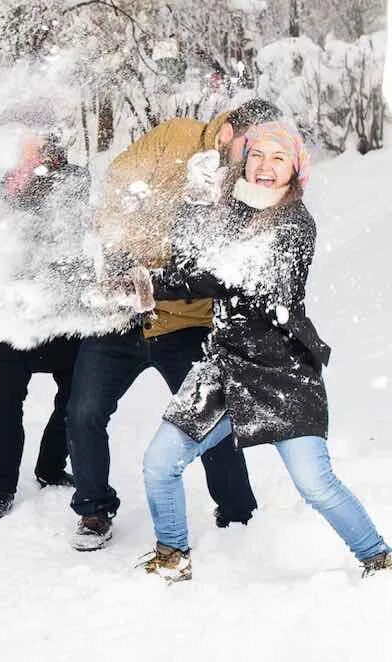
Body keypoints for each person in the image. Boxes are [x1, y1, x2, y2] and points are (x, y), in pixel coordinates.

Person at [135, 121, 392, 581]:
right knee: (160, 462)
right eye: (257, 155)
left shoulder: (296, 222)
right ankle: (172, 555)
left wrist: (161, 285)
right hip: (224, 364)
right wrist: (192, 211)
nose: (266, 166)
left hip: (282, 371)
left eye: (279, 158)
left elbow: (244, 279)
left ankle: (378, 556)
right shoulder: (227, 209)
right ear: (245, 159)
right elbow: (191, 263)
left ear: (295, 168)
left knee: (316, 484)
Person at [66, 100, 279, 551]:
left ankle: (238, 514)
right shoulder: (176, 135)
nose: (257, 158)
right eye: (252, 145)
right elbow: (120, 182)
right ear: (230, 131)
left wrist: (162, 264)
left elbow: (219, 264)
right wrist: (123, 242)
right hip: (119, 316)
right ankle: (93, 510)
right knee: (84, 411)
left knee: (211, 419)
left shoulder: (247, 189)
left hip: (186, 323)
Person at [0, 131, 90, 519]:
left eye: (35, 145)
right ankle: (1, 490)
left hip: (63, 310)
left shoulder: (76, 179)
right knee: (6, 400)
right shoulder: (2, 185)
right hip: (16, 311)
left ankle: (50, 466)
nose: (27, 151)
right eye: (22, 145)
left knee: (73, 397)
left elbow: (68, 224)